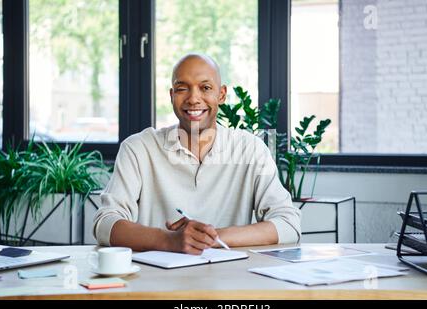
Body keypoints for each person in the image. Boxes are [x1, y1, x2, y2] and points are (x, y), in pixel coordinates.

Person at [93, 53, 301, 254]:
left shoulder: (251, 149)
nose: (193, 99)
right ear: (172, 95)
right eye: (182, 88)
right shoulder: (138, 148)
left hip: (230, 279)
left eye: (205, 88)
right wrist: (168, 240)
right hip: (156, 281)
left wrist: (208, 238)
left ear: (221, 95)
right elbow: (105, 224)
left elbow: (288, 224)